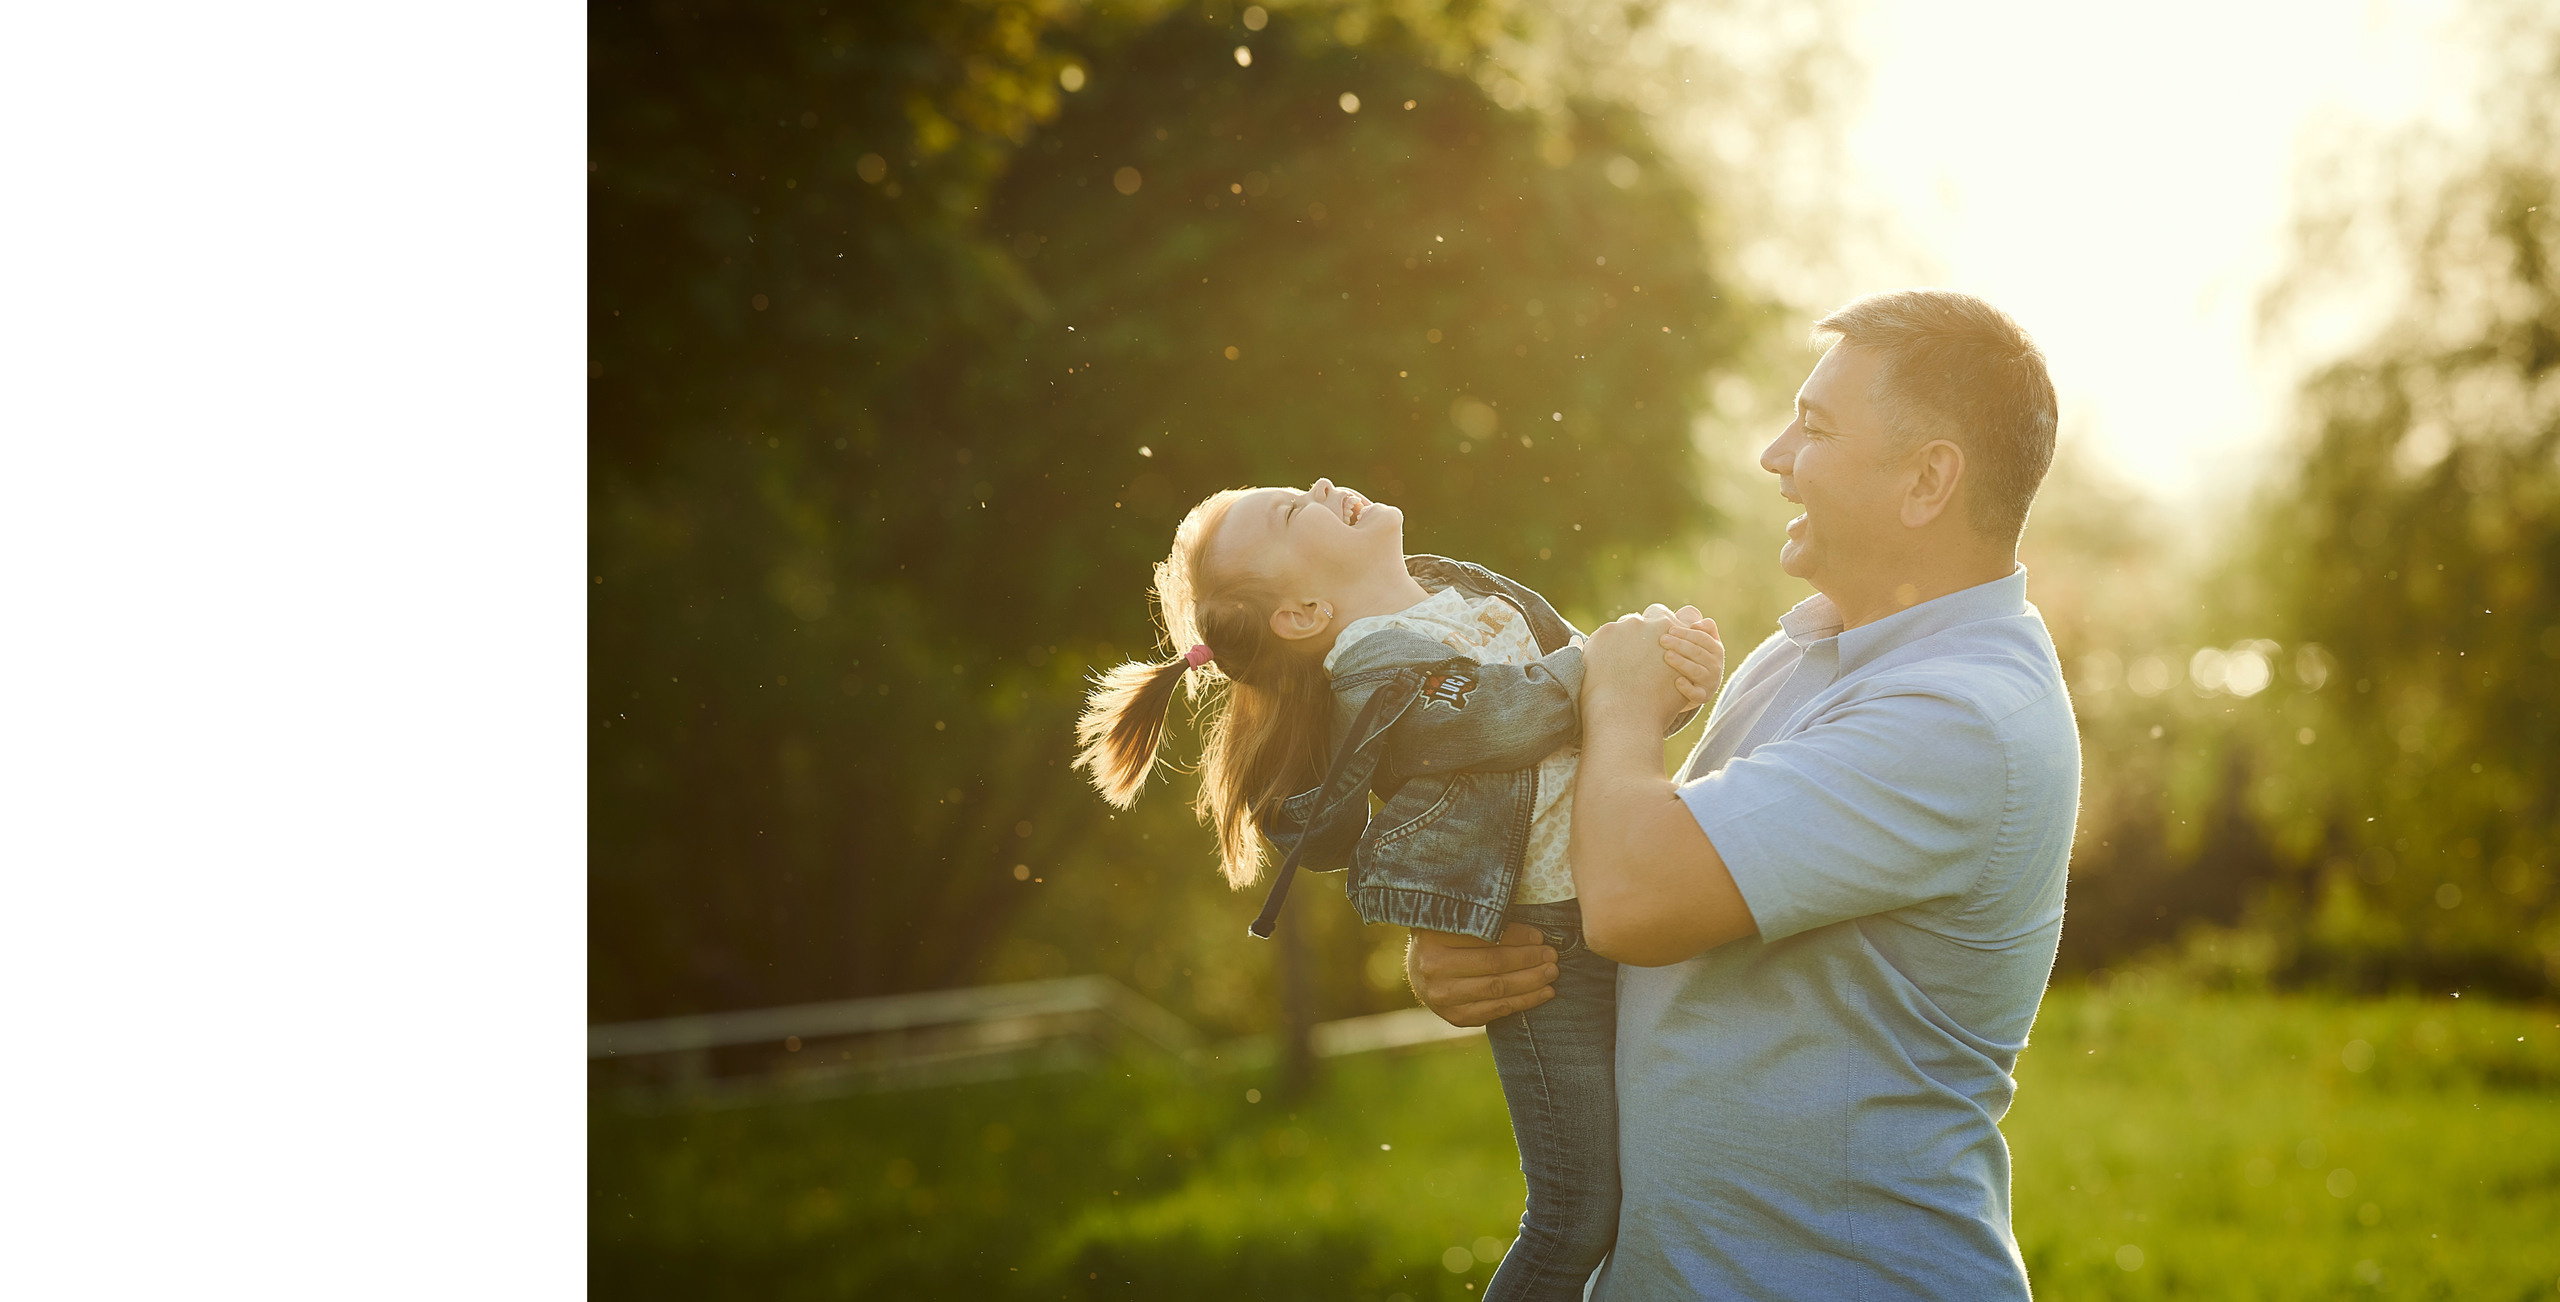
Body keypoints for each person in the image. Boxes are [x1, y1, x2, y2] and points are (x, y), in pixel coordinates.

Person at [1408, 289, 2081, 1299]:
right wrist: (1478, 944)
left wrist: (1618, 700)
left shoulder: (1959, 716)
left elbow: (1635, 901)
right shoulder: (1807, 651)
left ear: (1927, 479)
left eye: (1815, 428)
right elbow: (1635, 883)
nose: (1775, 455)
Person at [1071, 479, 1716, 1302]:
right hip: (1539, 947)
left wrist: (1675, 674)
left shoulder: (1472, 592)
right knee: (1577, 1213)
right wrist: (1621, 664)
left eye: (1302, 485)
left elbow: (1607, 712)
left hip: (1620, 895)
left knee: (1657, 1173)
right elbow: (1509, 714)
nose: (1322, 486)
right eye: (1294, 511)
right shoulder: (1376, 669)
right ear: (1303, 613)